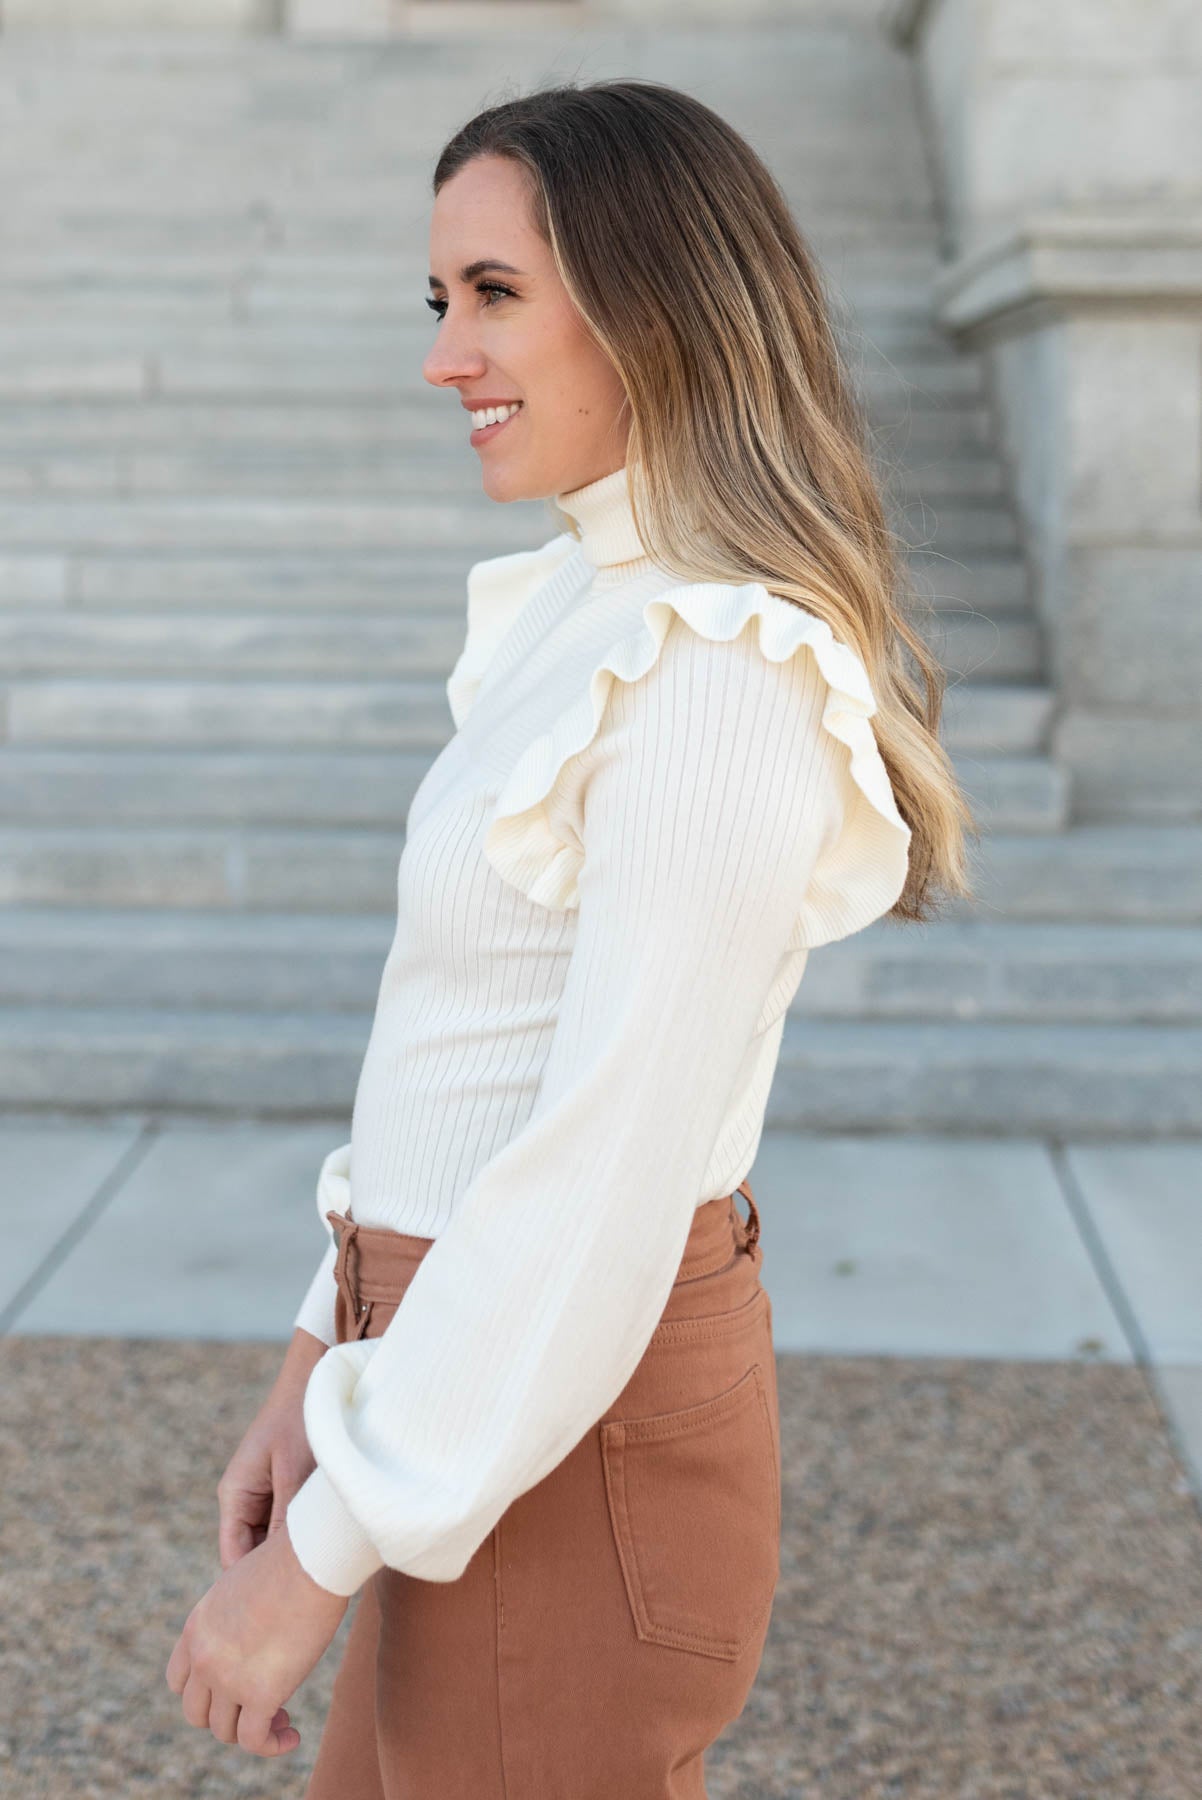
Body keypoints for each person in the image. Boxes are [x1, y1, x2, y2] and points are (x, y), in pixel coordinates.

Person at [166, 76, 977, 1795]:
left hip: (561, 1435)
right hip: (457, 1396)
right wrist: (317, 1383)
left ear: (660, 302)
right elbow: (451, 1077)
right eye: (439, 299)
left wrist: (320, 1557)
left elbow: (606, 1167)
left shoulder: (715, 673)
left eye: (496, 294)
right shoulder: (588, 615)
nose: (443, 355)